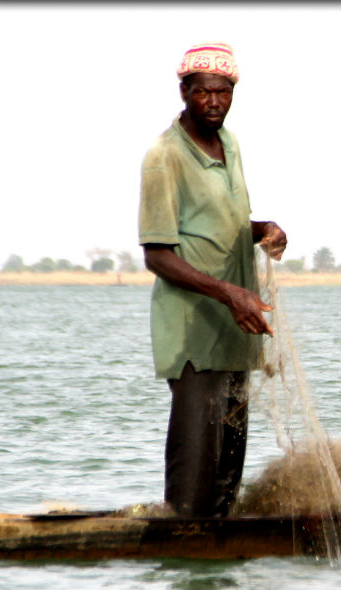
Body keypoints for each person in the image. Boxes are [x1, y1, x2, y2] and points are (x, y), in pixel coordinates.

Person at [137, 42, 287, 517]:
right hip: (194, 328)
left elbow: (221, 223)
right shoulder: (164, 157)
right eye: (203, 93)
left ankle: (219, 564)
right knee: (195, 473)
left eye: (224, 92)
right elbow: (158, 255)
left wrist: (263, 231)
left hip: (236, 326)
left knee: (228, 469)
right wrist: (227, 293)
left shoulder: (231, 144)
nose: (215, 102)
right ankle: (184, 555)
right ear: (184, 92)